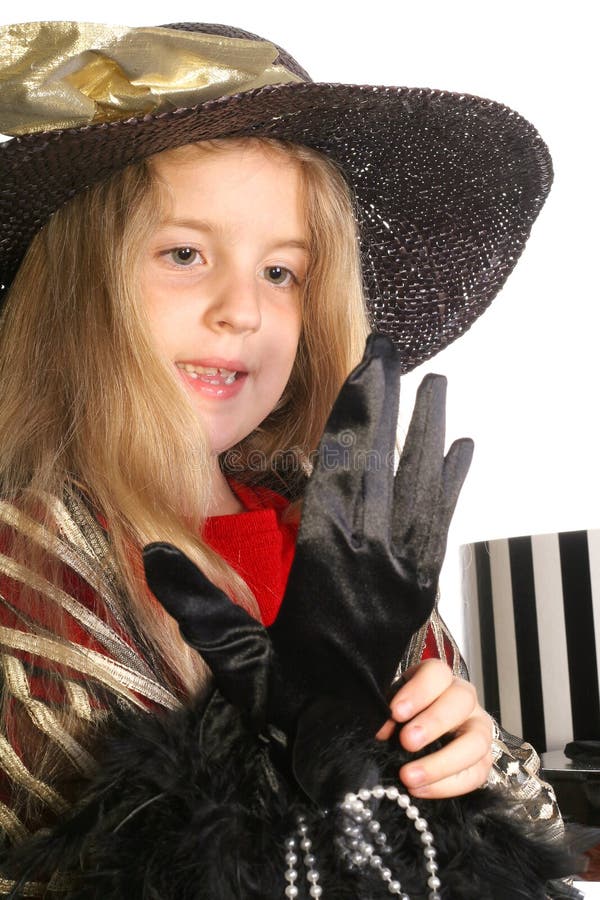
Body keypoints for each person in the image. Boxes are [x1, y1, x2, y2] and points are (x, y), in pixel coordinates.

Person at [0, 19, 563, 897]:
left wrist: (470, 763)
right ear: (79, 287)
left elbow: (504, 842)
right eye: (185, 254)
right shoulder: (27, 573)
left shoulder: (338, 544)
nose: (242, 311)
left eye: (282, 273)